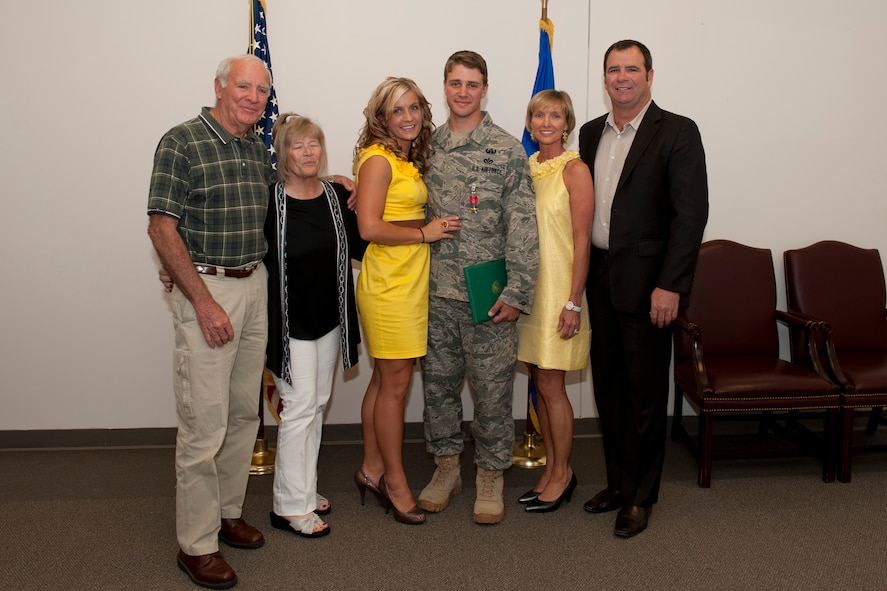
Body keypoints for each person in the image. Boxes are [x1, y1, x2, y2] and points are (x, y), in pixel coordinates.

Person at [147, 54, 272, 589]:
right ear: (219, 87)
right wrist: (202, 301)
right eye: (244, 86)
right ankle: (196, 545)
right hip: (209, 290)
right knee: (204, 424)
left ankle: (227, 513)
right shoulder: (182, 141)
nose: (253, 98)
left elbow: (281, 197)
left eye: (262, 90)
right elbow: (161, 228)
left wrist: (333, 179)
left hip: (254, 284)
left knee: (244, 414)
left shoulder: (255, 148)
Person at [578, 40, 709, 538]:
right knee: (609, 389)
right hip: (600, 279)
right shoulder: (590, 133)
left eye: (632, 68)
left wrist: (670, 286)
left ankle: (641, 496)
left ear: (650, 76)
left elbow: (689, 216)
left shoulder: (677, 131)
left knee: (645, 395)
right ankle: (618, 483)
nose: (622, 77)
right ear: (605, 78)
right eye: (614, 69)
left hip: (651, 287)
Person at [419, 51, 539, 525]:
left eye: (472, 84)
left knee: (491, 393)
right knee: (437, 389)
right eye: (455, 83)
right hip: (434, 293)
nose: (463, 92)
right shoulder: (425, 146)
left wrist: (517, 292)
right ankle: (447, 468)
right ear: (444, 87)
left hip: (488, 296)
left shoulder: (507, 149)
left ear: (484, 89)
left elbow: (522, 225)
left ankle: (490, 475)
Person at [353, 77, 460, 525]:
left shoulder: (404, 157)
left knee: (383, 381)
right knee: (395, 387)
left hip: (408, 279)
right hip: (389, 284)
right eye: (397, 110)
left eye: (414, 107)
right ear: (381, 117)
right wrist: (424, 233)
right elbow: (369, 228)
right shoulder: (379, 159)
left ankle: (371, 468)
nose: (409, 116)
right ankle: (395, 483)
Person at [263, 114, 367, 539]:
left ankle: (301, 488)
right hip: (290, 322)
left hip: (330, 318)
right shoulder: (269, 200)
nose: (307, 152)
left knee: (316, 403)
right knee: (300, 406)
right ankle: (289, 507)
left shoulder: (336, 194)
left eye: (313, 144)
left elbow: (363, 242)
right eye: (297, 145)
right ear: (283, 153)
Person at [515, 90, 594, 513]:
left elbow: (583, 242)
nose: (546, 122)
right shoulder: (527, 168)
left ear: (567, 124)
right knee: (539, 381)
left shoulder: (575, 170)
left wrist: (574, 301)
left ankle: (562, 474)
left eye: (555, 116)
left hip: (559, 292)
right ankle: (551, 469)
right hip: (529, 291)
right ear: (530, 123)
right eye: (539, 115)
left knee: (551, 384)